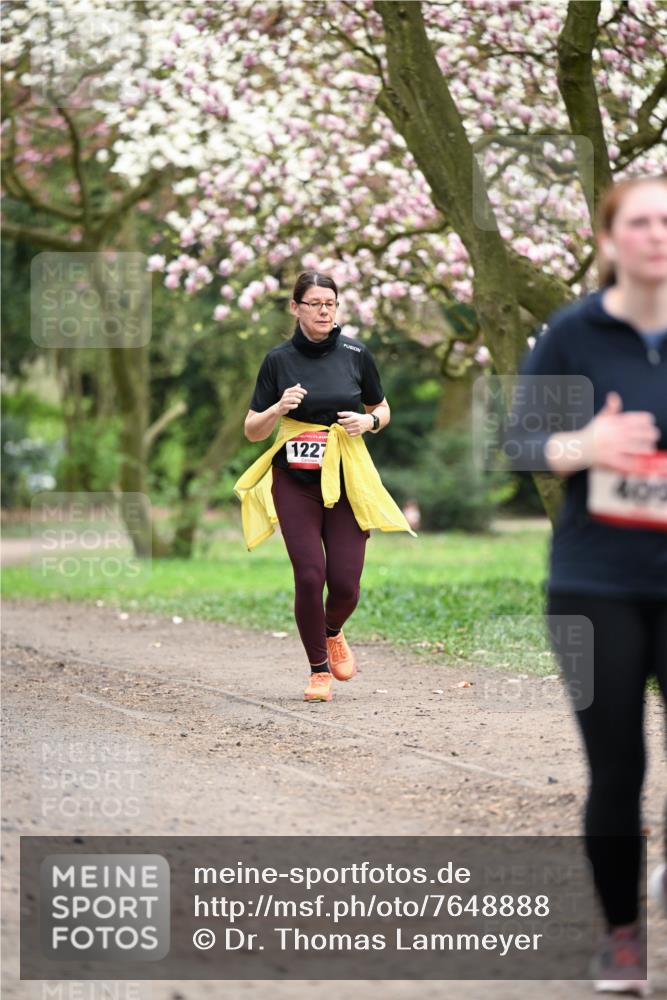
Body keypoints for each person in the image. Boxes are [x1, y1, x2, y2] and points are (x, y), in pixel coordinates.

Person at [516, 175, 667, 996]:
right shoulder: (573, 333)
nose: (655, 235)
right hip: (593, 584)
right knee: (618, 769)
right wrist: (589, 443)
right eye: (638, 222)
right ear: (610, 242)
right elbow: (518, 443)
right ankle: (619, 937)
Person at [234, 270, 416, 703]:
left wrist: (368, 421)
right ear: (295, 308)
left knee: (347, 583)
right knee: (310, 574)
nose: (323, 311)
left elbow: (382, 407)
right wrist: (278, 407)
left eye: (330, 303)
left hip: (347, 477)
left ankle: (332, 631)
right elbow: (252, 431)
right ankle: (318, 671)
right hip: (294, 482)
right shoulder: (277, 361)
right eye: (314, 303)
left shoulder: (356, 353)